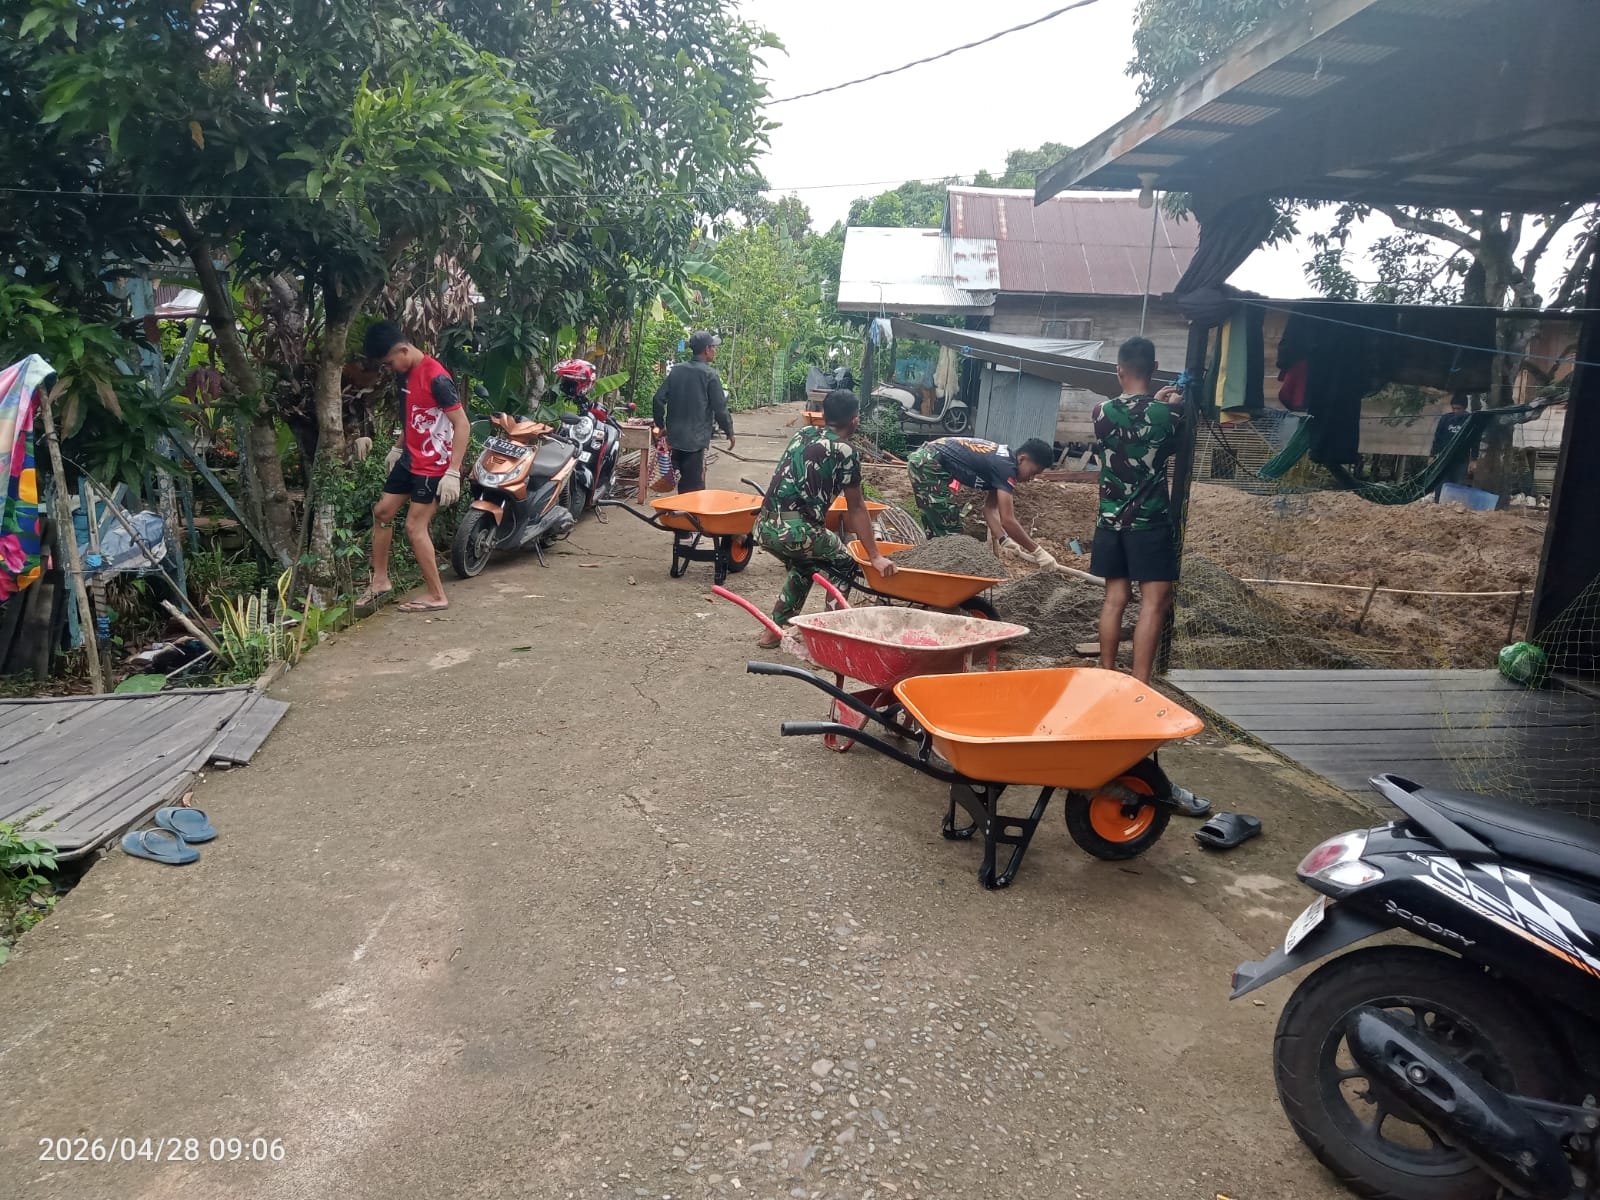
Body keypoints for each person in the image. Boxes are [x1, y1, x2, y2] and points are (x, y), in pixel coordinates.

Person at [754, 388, 896, 649]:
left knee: (806, 564)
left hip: (763, 526)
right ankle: (830, 636)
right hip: (796, 531)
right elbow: (856, 507)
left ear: (823, 415)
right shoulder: (845, 451)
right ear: (855, 420)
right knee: (844, 563)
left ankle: (773, 631)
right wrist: (875, 556)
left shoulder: (804, 433)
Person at [1088, 336, 1185, 685]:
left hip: (1109, 521)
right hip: (1149, 523)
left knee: (1115, 598)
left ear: (1119, 370)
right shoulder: (1169, 415)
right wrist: (1168, 403)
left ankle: (1107, 672)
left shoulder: (1100, 413)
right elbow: (1161, 434)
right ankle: (1140, 681)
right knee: (1154, 602)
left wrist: (1152, 403)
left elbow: (1129, 419)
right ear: (1155, 368)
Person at [357, 320, 469, 613]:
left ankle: (437, 595)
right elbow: (414, 415)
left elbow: (462, 424)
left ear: (404, 350)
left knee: (414, 527)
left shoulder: (437, 378)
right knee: (383, 512)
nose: (389, 368)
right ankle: (380, 581)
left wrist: (453, 471)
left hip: (434, 465)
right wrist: (397, 448)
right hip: (410, 459)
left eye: (389, 362)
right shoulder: (405, 375)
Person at [907, 435, 1057, 565]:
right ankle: (940, 571)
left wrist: (1004, 539)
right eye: (1033, 472)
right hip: (929, 461)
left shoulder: (1003, 462)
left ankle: (932, 567)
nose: (1031, 478)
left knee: (939, 526)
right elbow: (1008, 521)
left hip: (928, 460)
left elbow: (989, 509)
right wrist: (1037, 551)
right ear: (1022, 459)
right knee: (949, 530)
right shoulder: (1006, 468)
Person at [651, 331, 734, 494]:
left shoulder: (676, 371)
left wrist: (660, 426)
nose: (715, 351)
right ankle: (689, 510)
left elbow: (658, 399)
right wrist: (729, 432)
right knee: (693, 491)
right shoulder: (710, 375)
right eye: (713, 347)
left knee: (676, 483)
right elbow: (720, 409)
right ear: (706, 349)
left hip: (674, 439)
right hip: (695, 443)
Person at [1431, 393, 1476, 499]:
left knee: (1457, 486)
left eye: (1458, 409)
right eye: (1453, 408)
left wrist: (1474, 459)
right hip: (1443, 459)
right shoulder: (1445, 419)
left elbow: (1475, 441)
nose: (1456, 411)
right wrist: (1432, 455)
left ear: (1464, 408)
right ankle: (1438, 504)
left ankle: (1453, 506)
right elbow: (1437, 438)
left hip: (1461, 460)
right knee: (1441, 484)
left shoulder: (1471, 420)